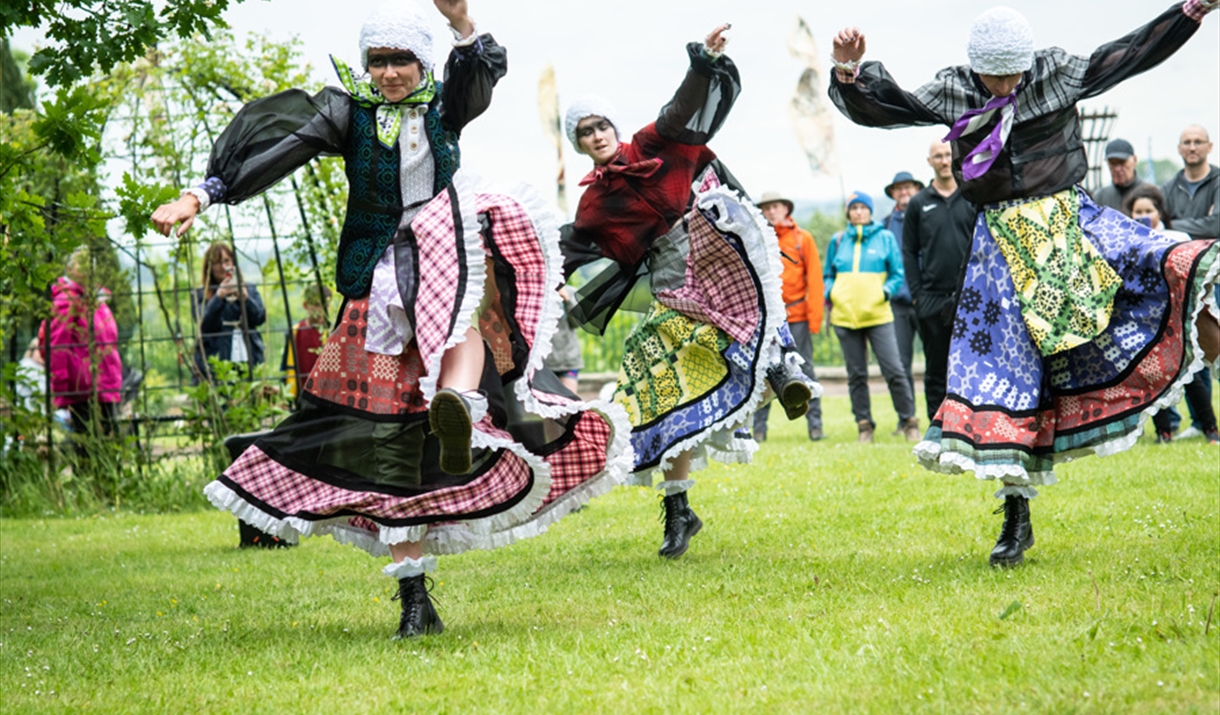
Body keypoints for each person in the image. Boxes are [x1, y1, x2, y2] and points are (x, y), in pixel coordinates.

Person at [150, 0, 630, 639]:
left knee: (456, 332)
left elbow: (479, 73)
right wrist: (203, 193)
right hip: (377, 283)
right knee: (389, 442)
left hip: (450, 263)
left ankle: (458, 401)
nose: (389, 72)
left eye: (401, 59)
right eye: (378, 61)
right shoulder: (347, 113)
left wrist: (462, 23)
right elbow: (280, 142)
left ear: (422, 62)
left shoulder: (444, 106)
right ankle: (413, 595)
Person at [830, 2, 1220, 567]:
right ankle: (1016, 519)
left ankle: (1209, 347)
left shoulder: (1057, 73)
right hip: (999, 253)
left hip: (1069, 225)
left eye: (1014, 73)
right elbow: (890, 106)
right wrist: (850, 74)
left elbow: (1129, 53)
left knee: (1171, 263)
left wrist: (1186, 12)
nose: (1007, 84)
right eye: (995, 76)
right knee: (1009, 382)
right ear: (975, 69)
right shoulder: (955, 91)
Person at [561, 24, 816, 559]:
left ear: (614, 125)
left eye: (601, 124)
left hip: (721, 253)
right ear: (579, 144)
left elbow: (681, 108)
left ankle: (784, 368)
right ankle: (679, 511)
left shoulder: (656, 143)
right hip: (676, 288)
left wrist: (702, 62)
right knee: (654, 380)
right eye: (584, 132)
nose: (596, 134)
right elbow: (574, 250)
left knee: (754, 293)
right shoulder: (593, 206)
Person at [1122, 185, 1220, 445]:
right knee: (1153, 376)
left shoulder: (1176, 237)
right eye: (1137, 211)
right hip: (1146, 320)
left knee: (1193, 375)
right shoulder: (1126, 242)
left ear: (1159, 212)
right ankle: (1164, 433)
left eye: (1148, 210)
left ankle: (1210, 429)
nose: (1143, 215)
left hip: (1180, 316)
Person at [825, 191, 920, 443]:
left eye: (862, 208)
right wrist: (831, 292)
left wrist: (885, 292)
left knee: (894, 370)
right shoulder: (838, 240)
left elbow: (897, 273)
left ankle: (909, 421)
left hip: (878, 314)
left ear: (869, 211)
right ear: (848, 212)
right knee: (856, 375)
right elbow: (828, 275)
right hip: (846, 317)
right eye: (853, 208)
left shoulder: (885, 238)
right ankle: (864, 425)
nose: (858, 212)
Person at [903, 140, 977, 421]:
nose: (945, 160)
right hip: (931, 299)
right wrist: (916, 293)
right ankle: (938, 427)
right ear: (929, 161)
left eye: (948, 155)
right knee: (935, 369)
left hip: (968, 295)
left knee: (971, 365)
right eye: (938, 156)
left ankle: (969, 423)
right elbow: (909, 250)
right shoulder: (918, 203)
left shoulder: (971, 196)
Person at [752, 191, 825, 442]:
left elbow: (814, 280)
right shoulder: (757, 239)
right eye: (766, 208)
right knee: (764, 369)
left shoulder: (803, 239)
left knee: (805, 368)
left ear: (786, 209)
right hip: (767, 317)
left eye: (776, 207)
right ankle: (759, 430)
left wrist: (815, 318)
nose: (772, 212)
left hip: (797, 314)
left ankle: (815, 426)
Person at [1161, 124, 1219, 441]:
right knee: (1194, 345)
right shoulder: (1170, 187)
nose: (1192, 147)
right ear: (1180, 149)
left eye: (1198, 142)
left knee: (1218, 342)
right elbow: (1163, 222)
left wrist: (1178, 228)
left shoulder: (1218, 181)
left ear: (1209, 147)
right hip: (1185, 277)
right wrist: (1198, 226)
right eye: (1187, 142)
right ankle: (1201, 421)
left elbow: (1217, 223)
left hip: (1217, 271)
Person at [43, 247, 124, 458]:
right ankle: (90, 489)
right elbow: (58, 346)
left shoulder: (97, 299)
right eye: (81, 262)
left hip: (105, 385)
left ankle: (107, 490)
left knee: (109, 445)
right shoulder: (67, 300)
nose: (88, 268)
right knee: (88, 448)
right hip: (83, 389)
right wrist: (62, 390)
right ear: (70, 268)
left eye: (91, 262)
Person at [191, 241, 266, 383]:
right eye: (217, 262)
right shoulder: (200, 294)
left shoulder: (249, 288)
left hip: (248, 354)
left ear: (233, 262)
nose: (223, 266)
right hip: (217, 358)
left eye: (226, 260)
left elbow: (259, 318)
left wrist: (245, 299)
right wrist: (219, 296)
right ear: (209, 267)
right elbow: (204, 324)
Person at [882, 170, 923, 426]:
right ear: (893, 193)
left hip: (926, 300)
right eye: (899, 188)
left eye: (908, 187)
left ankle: (940, 415)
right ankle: (906, 417)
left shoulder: (926, 217)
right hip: (897, 304)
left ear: (916, 189)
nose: (904, 191)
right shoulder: (885, 225)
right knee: (900, 364)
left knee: (939, 361)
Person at [281, 282, 331, 403]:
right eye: (317, 305)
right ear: (306, 305)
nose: (321, 310)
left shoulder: (330, 333)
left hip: (325, 398)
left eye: (325, 305)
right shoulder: (295, 331)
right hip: (300, 397)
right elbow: (287, 367)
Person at [1093, 138, 1145, 211]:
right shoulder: (1100, 197)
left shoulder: (1151, 194)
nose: (1117, 169)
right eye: (1112, 163)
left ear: (1135, 160)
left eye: (1122, 162)